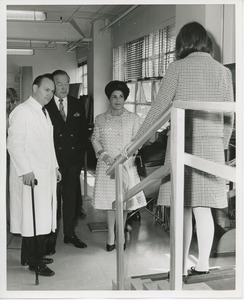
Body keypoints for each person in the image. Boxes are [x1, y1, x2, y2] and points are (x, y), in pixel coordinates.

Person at [131, 22, 234, 276]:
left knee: (183, 210)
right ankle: (203, 265)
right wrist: (219, 150)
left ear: (182, 44)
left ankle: (179, 268)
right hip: (210, 152)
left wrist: (135, 144)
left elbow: (158, 111)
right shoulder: (223, 72)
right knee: (204, 211)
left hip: (182, 148)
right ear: (206, 43)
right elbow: (229, 119)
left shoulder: (177, 68)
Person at [7, 74, 61, 276]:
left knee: (38, 217)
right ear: (35, 87)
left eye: (52, 91)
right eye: (47, 89)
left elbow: (48, 144)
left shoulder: (42, 111)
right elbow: (14, 144)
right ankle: (35, 262)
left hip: (44, 174)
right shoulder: (23, 111)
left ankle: (28, 256)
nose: (50, 94)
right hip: (30, 176)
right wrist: (26, 171)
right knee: (34, 218)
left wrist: (55, 167)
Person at [91, 80, 147, 251]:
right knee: (110, 202)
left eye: (121, 96)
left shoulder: (133, 118)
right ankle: (110, 236)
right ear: (109, 98)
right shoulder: (100, 118)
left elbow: (138, 141)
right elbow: (95, 139)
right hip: (106, 165)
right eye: (114, 96)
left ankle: (121, 233)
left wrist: (127, 155)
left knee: (124, 202)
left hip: (126, 164)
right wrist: (103, 154)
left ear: (125, 98)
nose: (117, 100)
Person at [45, 69, 89, 252]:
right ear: (53, 85)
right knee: (52, 201)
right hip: (52, 162)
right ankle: (50, 238)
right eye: (59, 84)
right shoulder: (46, 105)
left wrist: (79, 158)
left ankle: (70, 234)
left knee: (71, 200)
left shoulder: (77, 104)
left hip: (72, 161)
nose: (64, 88)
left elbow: (83, 132)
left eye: (67, 83)